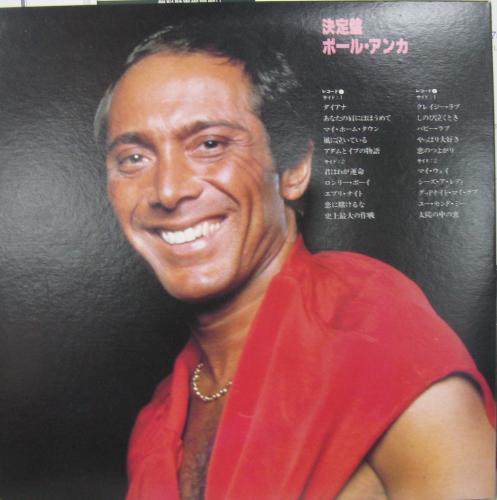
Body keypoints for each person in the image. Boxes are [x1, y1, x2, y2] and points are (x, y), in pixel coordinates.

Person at [94, 21, 496, 500]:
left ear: (294, 169)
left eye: (210, 144)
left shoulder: (372, 333)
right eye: (134, 159)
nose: (167, 190)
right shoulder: (160, 420)